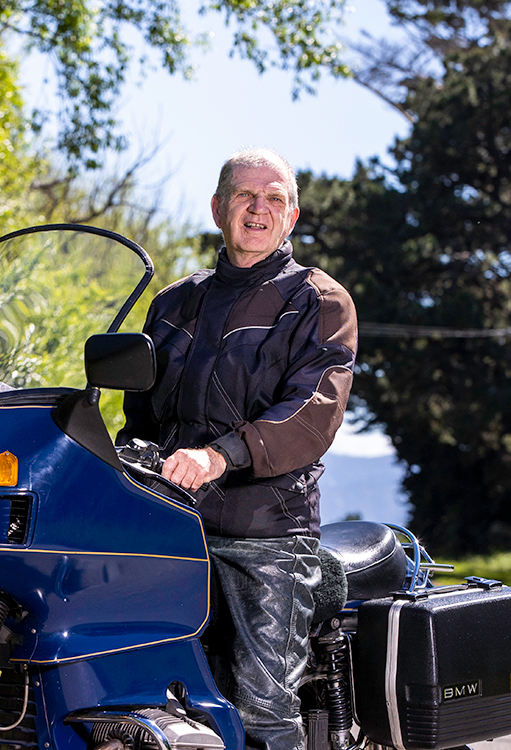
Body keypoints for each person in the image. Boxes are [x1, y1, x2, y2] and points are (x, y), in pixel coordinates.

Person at [117, 148, 357, 750]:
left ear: (292, 216)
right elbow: (141, 416)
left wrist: (221, 455)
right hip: (169, 520)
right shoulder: (173, 302)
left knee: (259, 707)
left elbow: (311, 414)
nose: (258, 209)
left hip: (264, 530)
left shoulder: (319, 302)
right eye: (245, 196)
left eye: (273, 198)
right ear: (218, 208)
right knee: (118, 677)